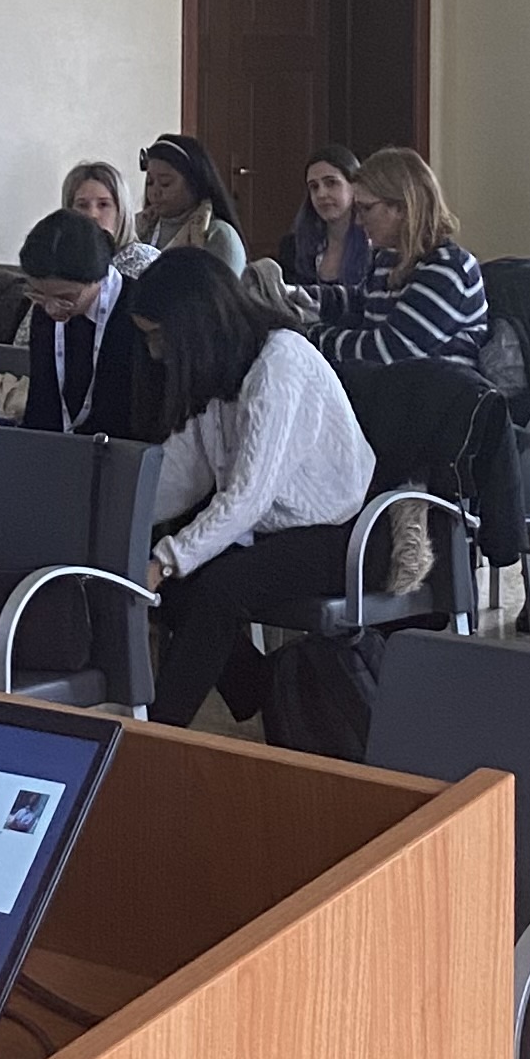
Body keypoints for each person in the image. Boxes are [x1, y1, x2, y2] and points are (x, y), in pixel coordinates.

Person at [133, 253, 376, 726]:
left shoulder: (279, 364)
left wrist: (162, 560)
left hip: (341, 532)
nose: (155, 352)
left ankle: (158, 734)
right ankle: (264, 687)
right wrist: (122, 519)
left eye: (158, 337)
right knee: (180, 590)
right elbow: (186, 471)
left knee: (216, 590)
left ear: (193, 327)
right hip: (273, 528)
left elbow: (246, 498)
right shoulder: (224, 365)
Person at [318, 148, 486, 371]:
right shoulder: (388, 258)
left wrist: (311, 336)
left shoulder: (448, 268)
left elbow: (387, 352)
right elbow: (358, 301)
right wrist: (293, 296)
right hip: (389, 386)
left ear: (402, 207)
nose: (358, 220)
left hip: (432, 390)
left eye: (366, 208)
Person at [18, 208, 166, 439]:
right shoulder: (44, 312)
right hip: (57, 449)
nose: (50, 309)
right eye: (38, 294)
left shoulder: (140, 314)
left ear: (99, 279)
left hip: (126, 449)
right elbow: (42, 401)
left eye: (66, 298)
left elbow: (148, 414)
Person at [134, 135, 248, 276]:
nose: (155, 192)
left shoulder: (218, 236)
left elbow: (222, 289)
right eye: (150, 182)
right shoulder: (140, 227)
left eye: (165, 183)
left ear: (194, 184)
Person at [282, 144, 371, 291]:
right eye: (314, 187)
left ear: (354, 186)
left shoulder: (374, 245)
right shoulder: (292, 247)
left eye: (331, 183)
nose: (321, 194)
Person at [61, 159, 155, 273]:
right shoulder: (60, 262)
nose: (92, 215)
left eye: (103, 205)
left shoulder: (145, 262)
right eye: (82, 205)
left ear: (121, 211)